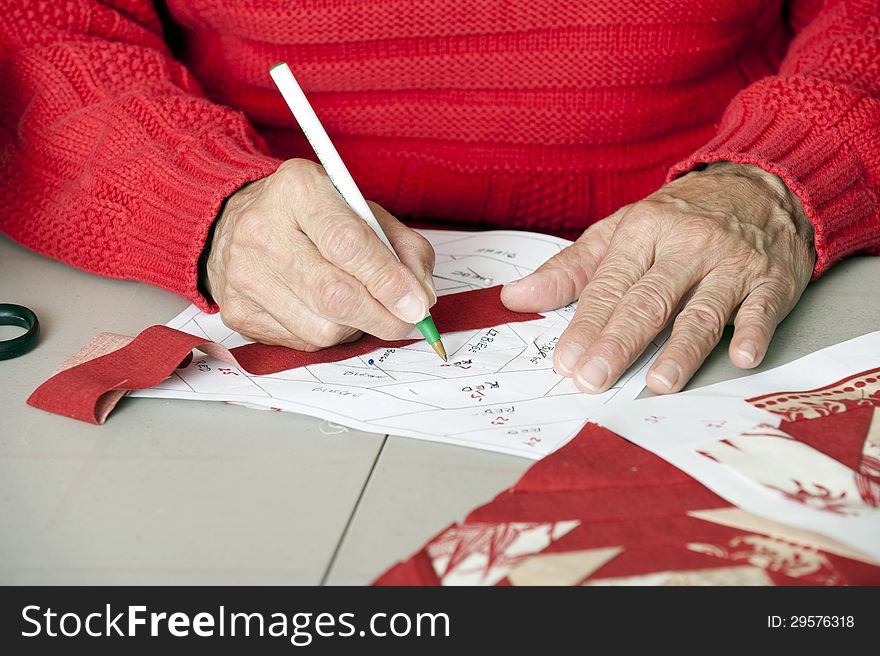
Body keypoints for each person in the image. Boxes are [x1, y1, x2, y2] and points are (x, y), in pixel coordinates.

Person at [1, 1, 877, 395]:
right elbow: (42, 28)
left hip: (744, 259)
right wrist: (204, 202)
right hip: (251, 280)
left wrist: (778, 178)